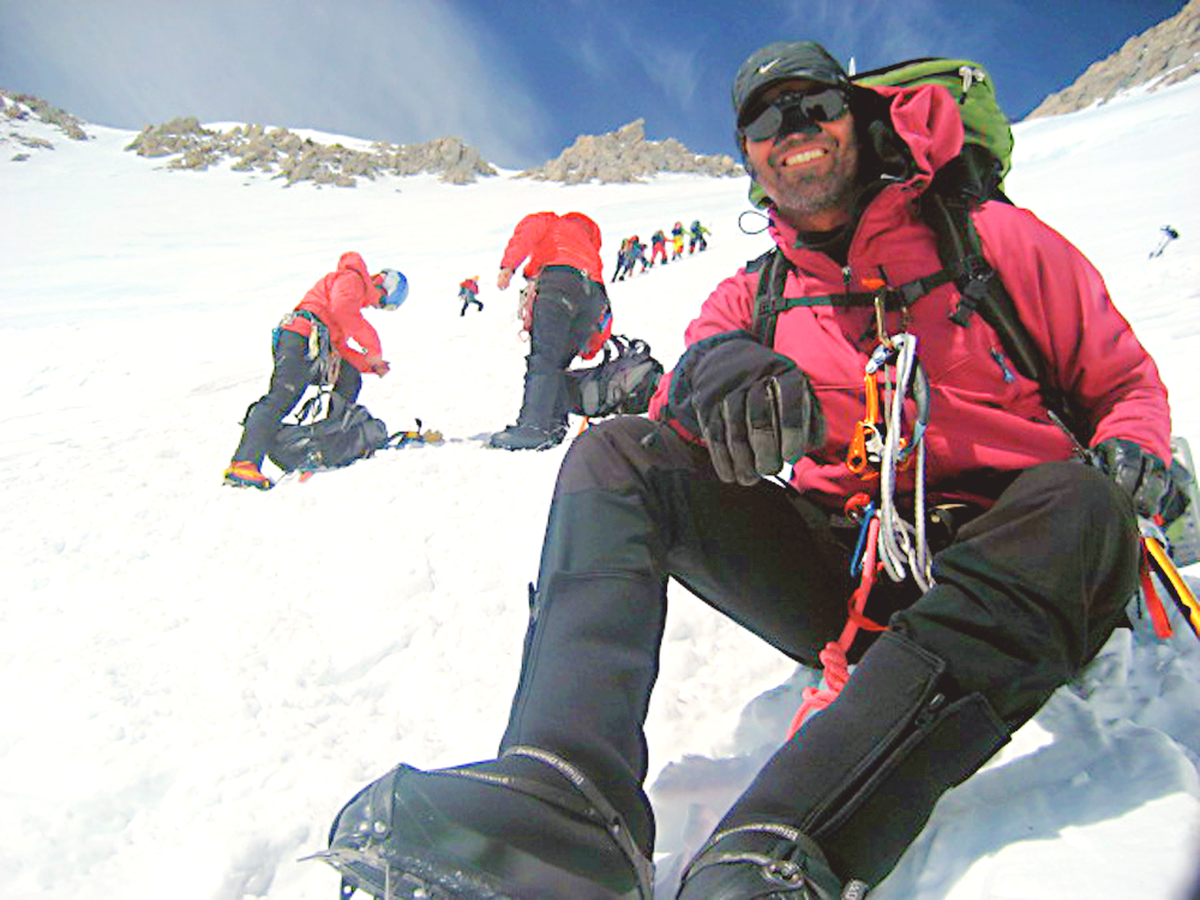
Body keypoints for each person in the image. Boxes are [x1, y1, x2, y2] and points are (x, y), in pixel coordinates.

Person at [321, 41, 1176, 899]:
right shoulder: (755, 296)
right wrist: (712, 375)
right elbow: (674, 403)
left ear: (861, 119)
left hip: (1019, 557)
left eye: (816, 105)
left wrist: (1133, 451)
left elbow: (1124, 385)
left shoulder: (991, 243)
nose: (792, 127)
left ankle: (782, 846)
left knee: (1081, 499)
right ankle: (563, 798)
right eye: (766, 118)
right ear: (749, 158)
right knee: (615, 454)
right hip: (856, 575)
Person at [223, 252, 406, 489]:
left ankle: (328, 440)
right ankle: (243, 463)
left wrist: (370, 364)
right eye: (385, 302)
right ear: (385, 285)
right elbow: (342, 309)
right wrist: (373, 347)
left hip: (312, 343)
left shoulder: (352, 298)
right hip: (301, 338)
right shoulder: (351, 279)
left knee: (349, 377)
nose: (378, 305)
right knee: (282, 396)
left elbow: (339, 348)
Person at [490, 211, 611, 451]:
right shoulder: (588, 250)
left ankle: (533, 427)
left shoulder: (552, 221)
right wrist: (592, 345)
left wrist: (508, 266)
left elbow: (527, 233)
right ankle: (555, 425)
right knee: (559, 363)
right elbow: (604, 311)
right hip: (592, 296)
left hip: (558, 283)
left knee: (544, 359)